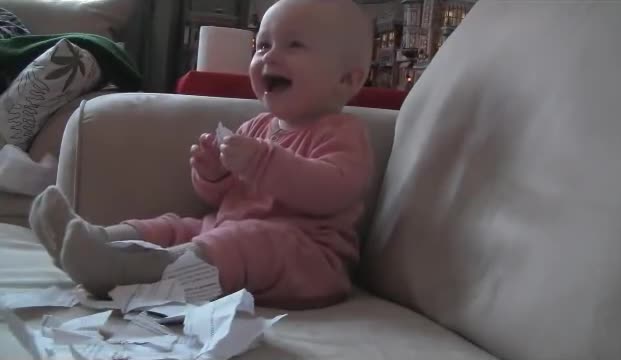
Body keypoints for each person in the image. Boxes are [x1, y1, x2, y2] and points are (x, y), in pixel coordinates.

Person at [28, 0, 374, 310]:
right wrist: (213, 175)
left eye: (294, 44)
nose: (268, 56)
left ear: (346, 79)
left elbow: (332, 190)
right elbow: (223, 198)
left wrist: (260, 162)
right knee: (177, 226)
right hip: (229, 231)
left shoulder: (342, 131)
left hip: (307, 259)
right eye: (262, 44)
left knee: (244, 240)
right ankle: (99, 243)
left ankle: (132, 271)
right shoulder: (256, 126)